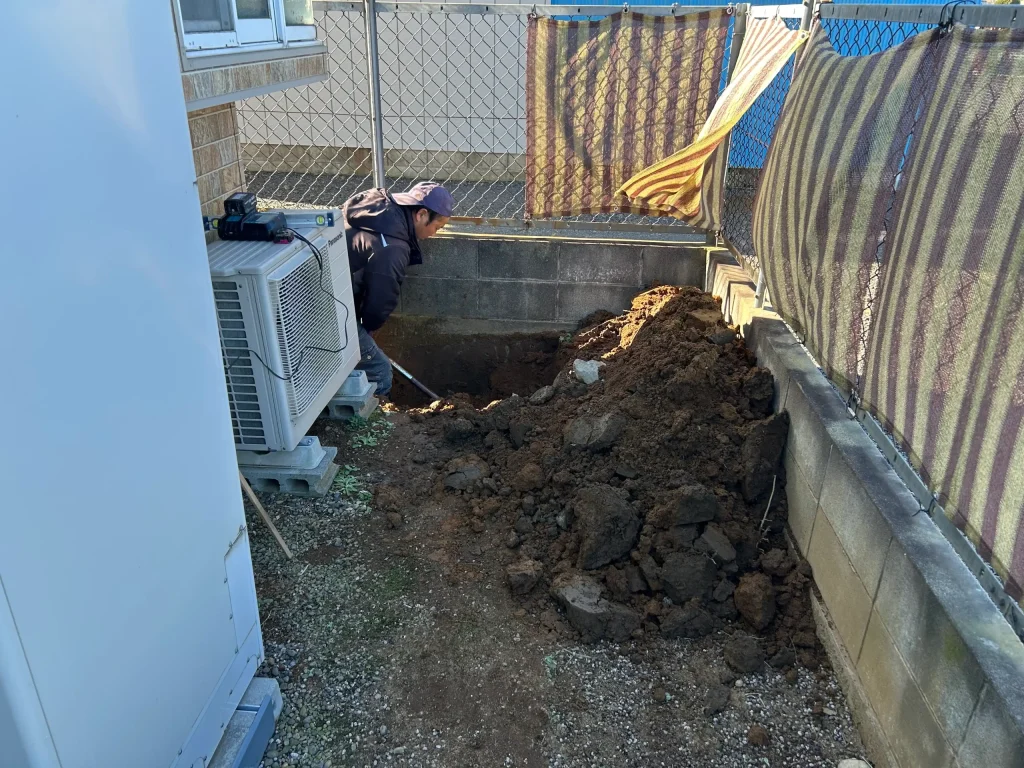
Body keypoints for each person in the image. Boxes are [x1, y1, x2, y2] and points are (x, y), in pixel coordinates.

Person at [342, 181, 452, 398]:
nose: (434, 233)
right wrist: (368, 329)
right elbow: (380, 299)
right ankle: (373, 417)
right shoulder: (392, 246)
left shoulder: (377, 215)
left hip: (322, 295)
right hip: (325, 310)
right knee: (379, 372)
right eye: (437, 227)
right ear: (421, 214)